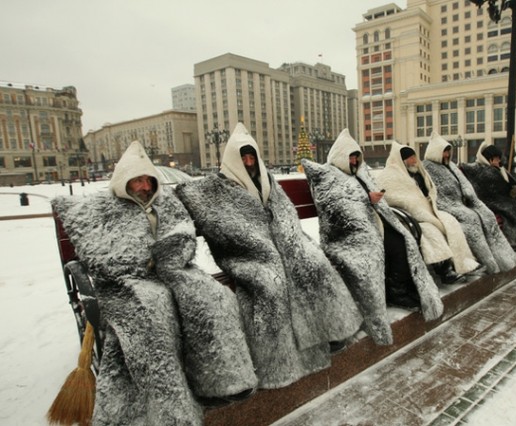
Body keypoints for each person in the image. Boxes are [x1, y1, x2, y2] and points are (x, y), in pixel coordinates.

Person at [52, 141, 258, 425]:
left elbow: (183, 232)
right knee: (152, 312)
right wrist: (142, 260)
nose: (144, 186)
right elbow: (101, 254)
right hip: (129, 282)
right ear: (124, 180)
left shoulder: (166, 202)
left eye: (147, 180)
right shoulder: (105, 209)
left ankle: (220, 381)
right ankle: (169, 407)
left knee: (213, 297)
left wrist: (170, 253)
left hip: (171, 270)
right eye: (137, 180)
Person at [176, 123, 363, 389]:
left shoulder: (267, 181)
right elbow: (224, 224)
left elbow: (286, 213)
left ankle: (329, 331)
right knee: (270, 284)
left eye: (252, 156)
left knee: (314, 264)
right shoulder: (219, 187)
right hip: (250, 256)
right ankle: (277, 362)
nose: (249, 162)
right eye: (244, 157)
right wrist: (262, 247)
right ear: (233, 159)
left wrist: (292, 243)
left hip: (285, 245)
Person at [302, 129, 444, 345]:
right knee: (385, 247)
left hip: (373, 223)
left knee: (402, 240)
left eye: (357, 156)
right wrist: (366, 198)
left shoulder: (361, 173)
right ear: (340, 156)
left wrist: (374, 199)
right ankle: (388, 295)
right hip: (348, 234)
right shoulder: (328, 175)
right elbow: (334, 205)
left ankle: (399, 287)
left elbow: (371, 198)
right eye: (350, 156)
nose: (354, 161)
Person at [375, 141, 479, 284]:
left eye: (414, 157)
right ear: (402, 160)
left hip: (426, 212)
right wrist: (413, 207)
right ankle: (444, 271)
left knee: (451, 222)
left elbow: (427, 192)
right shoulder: (388, 175)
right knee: (431, 232)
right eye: (410, 158)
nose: (414, 161)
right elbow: (390, 196)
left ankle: (462, 263)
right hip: (406, 218)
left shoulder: (416, 174)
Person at [422, 131, 516, 274]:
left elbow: (464, 182)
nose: (447, 156)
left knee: (487, 215)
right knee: (471, 219)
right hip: (448, 205)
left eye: (448, 152)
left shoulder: (451, 165)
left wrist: (470, 196)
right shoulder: (428, 167)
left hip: (463, 202)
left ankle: (503, 257)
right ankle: (485, 261)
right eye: (444, 152)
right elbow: (436, 192)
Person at [460, 141, 516, 251]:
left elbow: (511, 182)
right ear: (489, 159)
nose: (499, 161)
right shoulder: (482, 170)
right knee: (514, 210)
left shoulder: (499, 169)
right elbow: (488, 189)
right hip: (491, 200)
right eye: (496, 158)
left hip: (503, 198)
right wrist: (509, 192)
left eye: (499, 158)